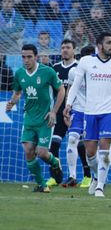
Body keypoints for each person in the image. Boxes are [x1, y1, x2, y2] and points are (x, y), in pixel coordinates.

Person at [64, 32, 111, 197]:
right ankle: (95, 176)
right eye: (109, 43)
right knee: (90, 153)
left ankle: (100, 186)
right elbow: (75, 86)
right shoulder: (86, 61)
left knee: (104, 150)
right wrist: (68, 105)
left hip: (109, 112)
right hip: (90, 112)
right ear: (99, 45)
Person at [6, 44, 65, 192]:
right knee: (28, 150)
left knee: (42, 153)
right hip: (29, 119)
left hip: (45, 120)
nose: (26, 60)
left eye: (29, 57)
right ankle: (42, 185)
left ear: (36, 57)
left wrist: (54, 112)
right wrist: (12, 102)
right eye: (23, 57)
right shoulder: (19, 73)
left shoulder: (47, 72)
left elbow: (61, 90)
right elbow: (18, 92)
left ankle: (55, 162)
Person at [46, 39, 91, 188]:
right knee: (54, 144)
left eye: (68, 47)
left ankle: (87, 176)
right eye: (63, 47)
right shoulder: (55, 68)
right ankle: (55, 177)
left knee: (80, 144)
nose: (65, 50)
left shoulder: (80, 68)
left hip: (75, 111)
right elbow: (50, 90)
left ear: (74, 50)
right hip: (59, 112)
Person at [62, 45, 96, 188]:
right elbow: (70, 89)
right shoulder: (73, 72)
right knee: (72, 139)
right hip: (78, 110)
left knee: (92, 147)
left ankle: (96, 178)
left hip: (94, 111)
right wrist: (67, 107)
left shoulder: (98, 73)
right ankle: (72, 177)